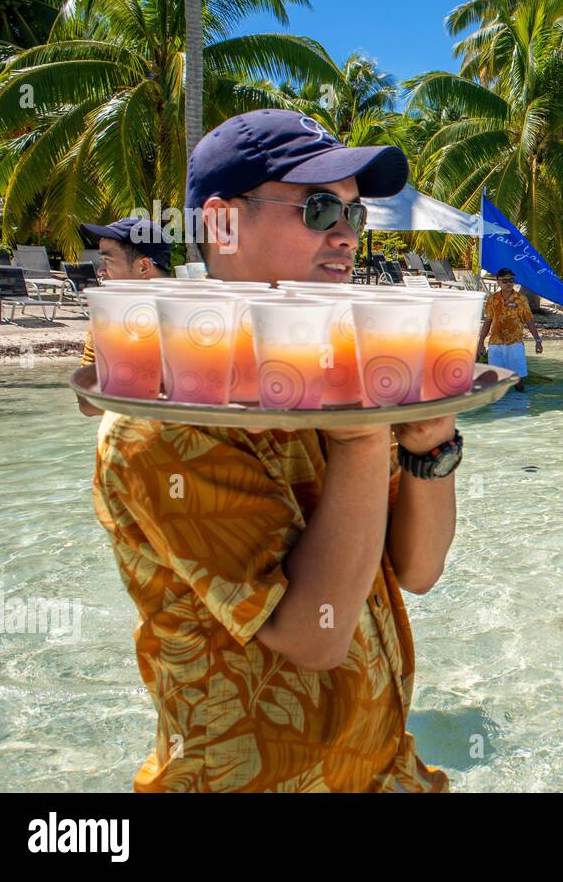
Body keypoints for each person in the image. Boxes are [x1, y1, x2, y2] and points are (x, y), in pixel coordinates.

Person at [94, 109, 459, 791]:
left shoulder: (328, 371)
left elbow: (418, 567)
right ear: (222, 223)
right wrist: (363, 434)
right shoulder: (165, 422)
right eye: (319, 207)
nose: (347, 234)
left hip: (380, 767)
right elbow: (314, 635)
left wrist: (430, 446)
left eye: (356, 213)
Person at [77, 218, 169, 416]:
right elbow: (86, 404)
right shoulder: (105, 320)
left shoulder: (193, 315)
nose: (100, 271)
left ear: (144, 267)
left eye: (107, 261)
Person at [476, 266, 542, 391]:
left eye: (511, 280)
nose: (508, 283)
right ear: (498, 282)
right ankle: (499, 408)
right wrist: (480, 343)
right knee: (495, 379)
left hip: (515, 343)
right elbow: (488, 321)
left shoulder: (521, 299)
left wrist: (538, 341)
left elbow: (529, 320)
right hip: (495, 343)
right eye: (505, 281)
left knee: (519, 379)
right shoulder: (492, 299)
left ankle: (521, 405)